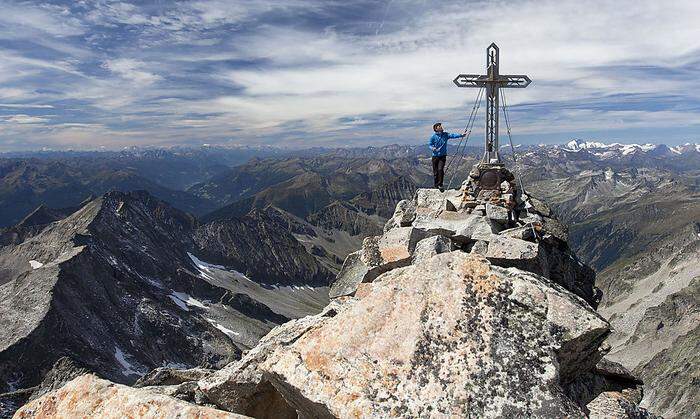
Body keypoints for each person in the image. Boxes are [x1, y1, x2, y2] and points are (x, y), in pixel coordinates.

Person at [428, 122, 464, 191]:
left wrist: (461, 135)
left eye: (441, 126)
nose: (441, 127)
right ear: (436, 129)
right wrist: (433, 148)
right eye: (439, 126)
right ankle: (436, 185)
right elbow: (430, 145)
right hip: (435, 156)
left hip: (442, 156)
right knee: (435, 172)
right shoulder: (433, 137)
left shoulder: (445, 135)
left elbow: (452, 135)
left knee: (440, 169)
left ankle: (440, 184)